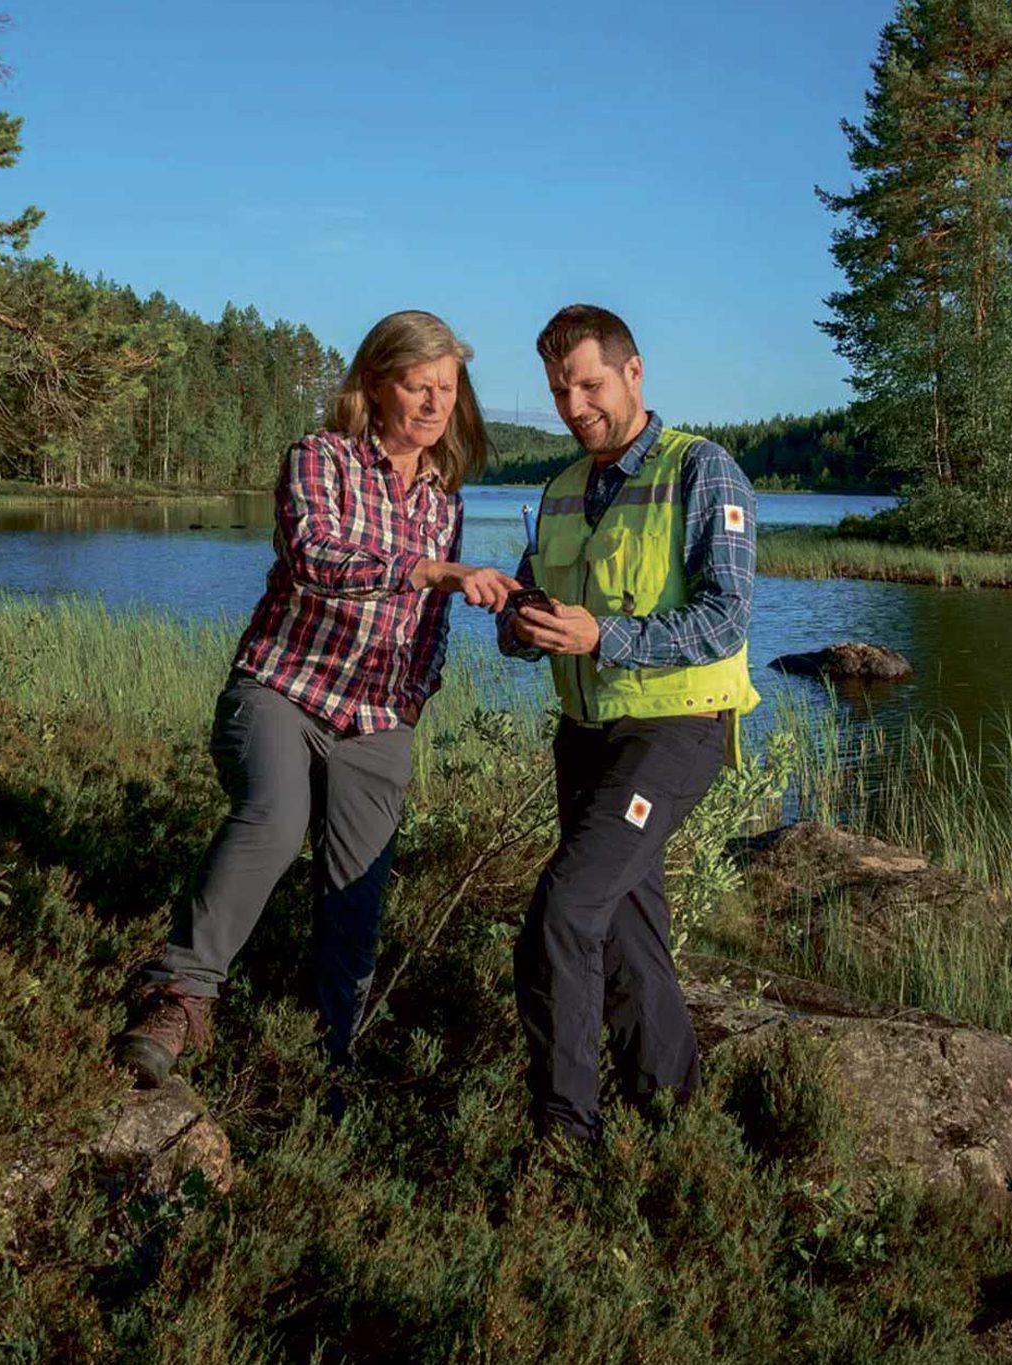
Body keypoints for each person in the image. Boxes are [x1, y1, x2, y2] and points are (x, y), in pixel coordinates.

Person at [114, 309, 518, 1089]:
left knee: (358, 888)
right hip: (281, 690)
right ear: (374, 382)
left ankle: (331, 1053)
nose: (435, 404)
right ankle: (179, 998)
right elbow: (315, 557)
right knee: (274, 816)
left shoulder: (445, 498)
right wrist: (428, 570)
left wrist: (413, 699)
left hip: (377, 716)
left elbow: (429, 627)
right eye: (417, 385)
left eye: (447, 388)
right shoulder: (319, 458)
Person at [498, 303, 760, 1144]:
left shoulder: (702, 471)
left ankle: (566, 1137)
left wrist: (605, 635)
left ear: (634, 373)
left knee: (566, 911)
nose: (574, 406)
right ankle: (675, 1124)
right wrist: (522, 626)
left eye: (589, 383)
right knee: (622, 927)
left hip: (676, 728)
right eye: (559, 389)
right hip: (585, 732)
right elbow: (535, 614)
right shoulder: (560, 487)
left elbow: (727, 617)